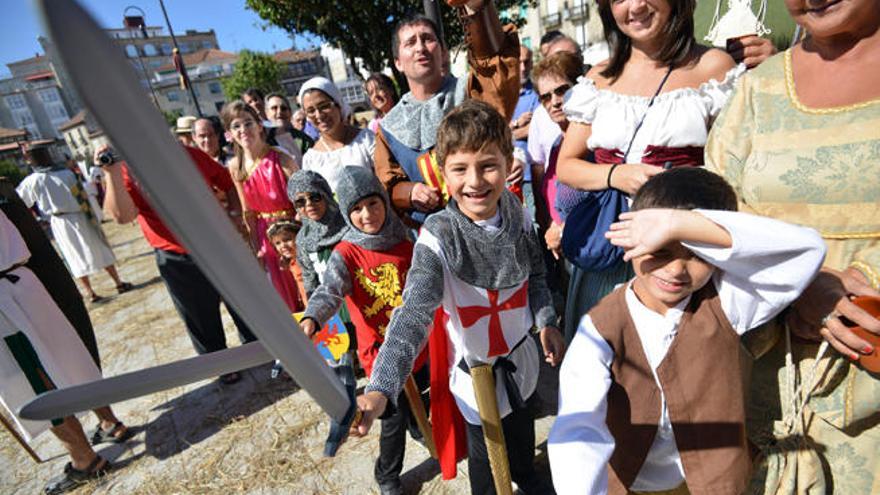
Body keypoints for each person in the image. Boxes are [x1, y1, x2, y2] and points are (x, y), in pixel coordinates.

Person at [547, 167, 826, 494]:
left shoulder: (727, 303)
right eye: (661, 250)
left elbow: (807, 252)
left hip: (709, 485)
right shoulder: (602, 325)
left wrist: (680, 224)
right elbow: (578, 427)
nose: (676, 269)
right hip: (628, 485)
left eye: (697, 254)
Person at [704, 0, 880, 490]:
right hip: (776, 382)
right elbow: (718, 212)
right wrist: (796, 286)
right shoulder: (757, 90)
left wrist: (861, 284)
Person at [354, 101, 565, 494]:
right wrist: (381, 386)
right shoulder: (439, 236)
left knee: (522, 442)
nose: (475, 181)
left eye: (488, 165)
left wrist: (546, 320)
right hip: (477, 377)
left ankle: (529, 477)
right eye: (460, 169)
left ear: (507, 163)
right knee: (488, 467)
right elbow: (413, 313)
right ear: (442, 172)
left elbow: (535, 273)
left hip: (521, 360)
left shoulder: (516, 211)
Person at [555, 0, 746, 342]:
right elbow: (567, 165)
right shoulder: (599, 78)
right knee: (608, 366)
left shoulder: (713, 67)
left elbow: (733, 167)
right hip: (611, 254)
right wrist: (616, 175)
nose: (636, 6)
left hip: (682, 256)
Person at [299, 166, 428, 495]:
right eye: (356, 208)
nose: (366, 214)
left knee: (420, 394)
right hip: (379, 352)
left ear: (384, 200)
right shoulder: (347, 253)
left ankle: (421, 428)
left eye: (372, 203)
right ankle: (387, 475)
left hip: (415, 343)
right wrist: (313, 317)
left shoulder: (406, 240)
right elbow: (329, 291)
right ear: (345, 211)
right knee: (391, 418)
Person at [0, 208, 133, 495]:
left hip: (6, 298)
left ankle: (85, 460)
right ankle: (109, 422)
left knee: (32, 379)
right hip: (22, 280)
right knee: (66, 356)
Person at [99, 144, 256, 384]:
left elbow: (226, 181)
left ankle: (256, 349)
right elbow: (123, 216)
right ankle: (223, 365)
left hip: (217, 243)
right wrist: (111, 172)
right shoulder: (122, 170)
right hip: (175, 254)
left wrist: (235, 216)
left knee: (243, 301)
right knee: (200, 316)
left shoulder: (184, 153)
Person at [374, 1, 520, 226]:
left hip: (490, 221)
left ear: (443, 52)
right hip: (436, 235)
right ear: (397, 62)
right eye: (410, 43)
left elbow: (493, 61)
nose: (420, 47)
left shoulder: (471, 90)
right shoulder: (388, 127)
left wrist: (476, 10)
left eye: (428, 39)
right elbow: (387, 185)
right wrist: (410, 192)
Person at [16, 143, 132, 303]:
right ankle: (106, 287)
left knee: (81, 253)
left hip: (65, 220)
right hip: (74, 218)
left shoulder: (34, 180)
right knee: (87, 251)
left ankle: (97, 290)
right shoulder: (60, 175)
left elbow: (20, 202)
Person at [222, 100, 303, 314]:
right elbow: (247, 212)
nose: (243, 130)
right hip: (265, 237)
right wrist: (255, 248)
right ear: (229, 133)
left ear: (259, 126)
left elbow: (302, 202)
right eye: (236, 126)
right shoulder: (235, 167)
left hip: (292, 230)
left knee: (302, 286)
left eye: (248, 123)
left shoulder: (281, 158)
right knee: (281, 295)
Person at [527, 33, 584, 195]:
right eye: (545, 97)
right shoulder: (555, 145)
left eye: (562, 91)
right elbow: (538, 167)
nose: (555, 102)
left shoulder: (595, 140)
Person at [298, 77, 375, 191]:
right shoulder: (311, 159)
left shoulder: (366, 139)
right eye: (311, 111)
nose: (319, 115)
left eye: (324, 106)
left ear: (338, 104)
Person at [510, 44, 539, 212]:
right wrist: (515, 124)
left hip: (530, 174)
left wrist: (509, 134)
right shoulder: (502, 94)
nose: (522, 68)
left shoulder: (537, 93)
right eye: (518, 62)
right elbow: (493, 131)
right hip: (507, 174)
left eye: (526, 62)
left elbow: (535, 128)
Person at [266, 221, 308, 309]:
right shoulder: (292, 261)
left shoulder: (307, 260)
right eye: (278, 243)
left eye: (287, 240)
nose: (283, 246)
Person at [265, 92, 314, 160]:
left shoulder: (304, 140)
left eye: (283, 108)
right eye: (274, 108)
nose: (279, 112)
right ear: (267, 113)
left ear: (290, 112)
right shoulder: (264, 143)